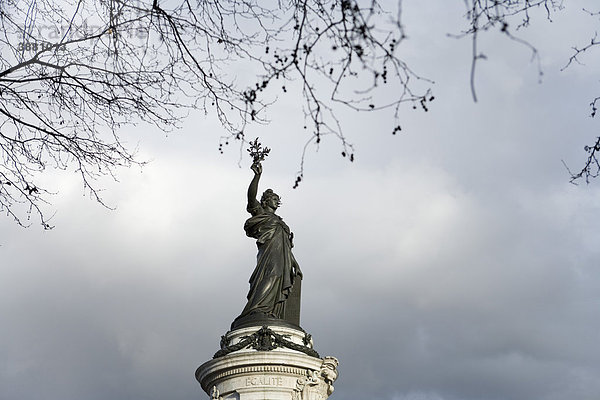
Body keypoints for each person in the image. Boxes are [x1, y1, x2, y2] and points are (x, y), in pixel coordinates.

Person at [233, 161, 302, 325]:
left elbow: (287, 247)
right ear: (266, 201)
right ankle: (257, 309)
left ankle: (270, 311)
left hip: (283, 257)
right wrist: (257, 176)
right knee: (271, 276)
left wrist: (295, 263)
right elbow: (251, 198)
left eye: (278, 200)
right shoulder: (261, 213)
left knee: (279, 278)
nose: (277, 202)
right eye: (274, 199)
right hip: (269, 253)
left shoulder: (281, 222)